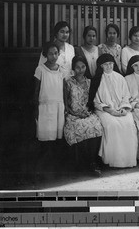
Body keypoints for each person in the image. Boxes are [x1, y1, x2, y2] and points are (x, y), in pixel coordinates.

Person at [88, 53, 138, 168]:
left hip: (122, 108)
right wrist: (110, 111)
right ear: (101, 66)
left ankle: (127, 160)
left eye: (111, 64)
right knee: (112, 125)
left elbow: (126, 96)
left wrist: (124, 109)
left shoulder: (120, 77)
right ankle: (113, 160)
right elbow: (96, 101)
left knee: (129, 124)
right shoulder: (96, 80)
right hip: (105, 110)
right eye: (106, 64)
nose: (109, 67)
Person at [63, 56, 103, 174]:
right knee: (78, 128)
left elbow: (91, 101)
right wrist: (73, 112)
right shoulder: (68, 82)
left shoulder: (90, 82)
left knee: (96, 126)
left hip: (86, 113)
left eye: (83, 67)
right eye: (77, 67)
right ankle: (79, 164)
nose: (80, 70)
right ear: (73, 68)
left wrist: (87, 112)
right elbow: (66, 103)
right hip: (73, 114)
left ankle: (92, 162)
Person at [33, 41, 65, 176]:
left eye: (56, 53)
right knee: (45, 138)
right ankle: (41, 168)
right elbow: (36, 91)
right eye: (51, 53)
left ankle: (55, 168)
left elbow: (64, 90)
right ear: (45, 54)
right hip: (45, 107)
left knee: (57, 138)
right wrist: (35, 108)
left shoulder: (61, 70)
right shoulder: (40, 69)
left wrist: (66, 106)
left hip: (58, 106)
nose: (54, 56)